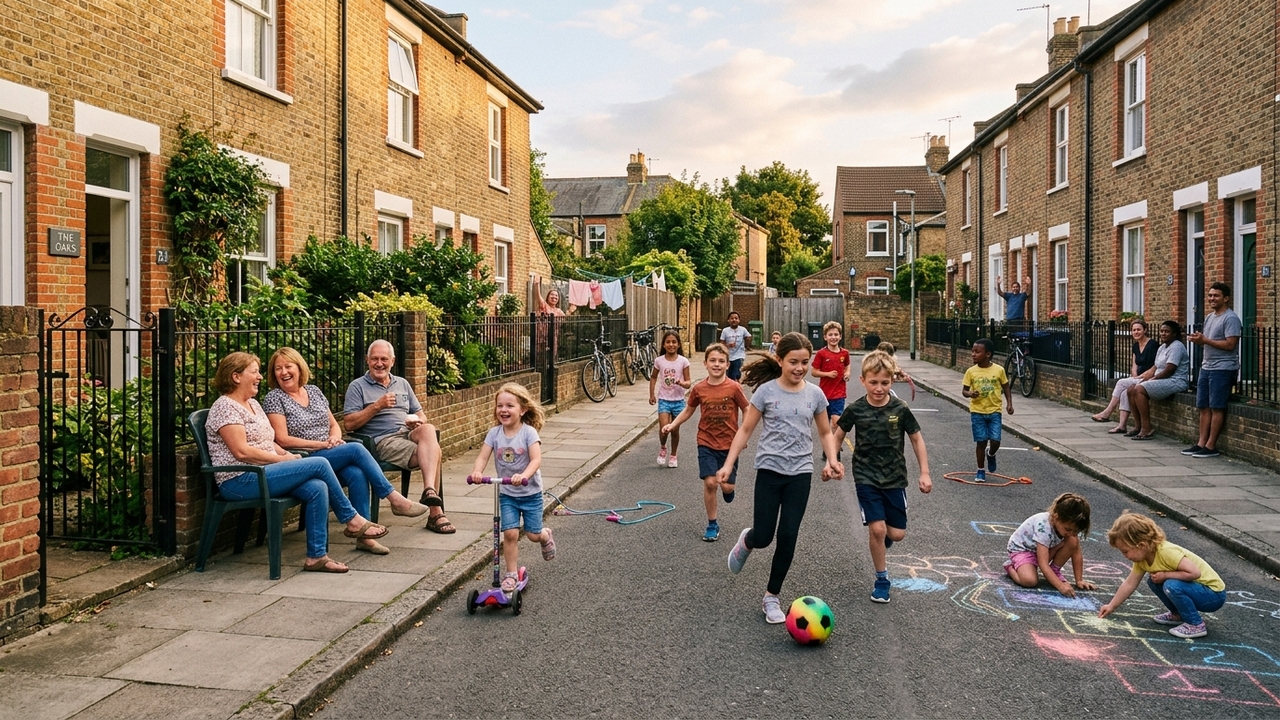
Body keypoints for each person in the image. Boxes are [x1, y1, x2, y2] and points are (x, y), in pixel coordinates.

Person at [205, 352, 388, 573]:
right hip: (240, 480)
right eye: (254, 372)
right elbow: (242, 452)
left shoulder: (252, 404)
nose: (260, 377)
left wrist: (285, 455)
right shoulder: (225, 406)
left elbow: (268, 441)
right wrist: (283, 459)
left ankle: (316, 557)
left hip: (265, 472)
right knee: (319, 464)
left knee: (317, 487)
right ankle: (352, 519)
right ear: (236, 377)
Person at [717, 332, 843, 624]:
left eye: (804, 362)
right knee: (764, 536)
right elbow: (745, 430)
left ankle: (771, 596)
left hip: (800, 473)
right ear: (780, 360)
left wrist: (833, 460)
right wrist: (728, 464)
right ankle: (747, 541)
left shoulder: (815, 395)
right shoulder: (766, 393)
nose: (799, 368)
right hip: (770, 471)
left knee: (788, 535)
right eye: (793, 362)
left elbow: (825, 432)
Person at [263, 347, 428, 554]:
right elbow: (283, 440)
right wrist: (323, 445)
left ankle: (364, 538)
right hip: (304, 457)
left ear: (299, 368)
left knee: (356, 473)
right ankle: (393, 498)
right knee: (356, 449)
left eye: (288, 366)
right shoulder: (274, 398)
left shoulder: (313, 391)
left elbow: (334, 424)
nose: (284, 372)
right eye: (278, 368)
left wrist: (334, 438)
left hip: (327, 451)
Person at [833, 350, 932, 604]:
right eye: (873, 382)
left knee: (896, 534)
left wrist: (924, 472)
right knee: (876, 529)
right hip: (866, 476)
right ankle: (882, 579)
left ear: (892, 382)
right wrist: (832, 461)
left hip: (895, 478)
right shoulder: (856, 409)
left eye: (885, 383)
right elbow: (838, 435)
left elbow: (916, 439)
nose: (879, 388)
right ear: (863, 380)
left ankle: (885, 538)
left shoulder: (900, 408)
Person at [343, 339, 454, 534]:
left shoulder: (402, 383)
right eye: (375, 359)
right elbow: (349, 424)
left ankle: (429, 491)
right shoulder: (357, 386)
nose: (379, 364)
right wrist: (376, 406)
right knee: (435, 451)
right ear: (367, 360)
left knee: (428, 428)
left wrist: (416, 421)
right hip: (382, 441)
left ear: (392, 361)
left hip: (407, 433)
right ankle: (436, 513)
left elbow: (420, 413)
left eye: (384, 359)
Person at [467, 383, 556, 593]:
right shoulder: (494, 434)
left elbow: (536, 460)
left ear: (522, 409)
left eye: (509, 405)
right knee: (510, 534)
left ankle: (545, 536)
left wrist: (523, 475)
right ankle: (511, 574)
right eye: (500, 406)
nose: (503, 410)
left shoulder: (529, 433)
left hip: (530, 493)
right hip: (507, 495)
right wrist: (477, 472)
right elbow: (482, 456)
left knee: (533, 535)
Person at [661, 343, 749, 542]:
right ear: (705, 364)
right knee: (710, 483)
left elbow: (748, 410)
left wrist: (744, 435)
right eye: (713, 361)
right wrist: (673, 424)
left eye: (721, 361)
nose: (716, 364)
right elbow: (689, 410)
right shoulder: (699, 388)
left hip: (730, 444)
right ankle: (712, 523)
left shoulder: (734, 388)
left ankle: (728, 491)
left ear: (727, 365)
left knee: (726, 487)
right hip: (706, 441)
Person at [1098, 511, 1227, 639]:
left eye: (1125, 551)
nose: (1125, 556)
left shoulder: (1166, 551)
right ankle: (1178, 614)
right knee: (1154, 580)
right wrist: (1111, 606)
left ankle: (1196, 624)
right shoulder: (1142, 559)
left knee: (1170, 585)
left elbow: (1194, 573)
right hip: (1197, 591)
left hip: (1213, 594)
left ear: (1141, 545)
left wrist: (1165, 575)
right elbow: (1129, 583)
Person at [1184, 282, 1242, 459]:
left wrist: (1205, 341)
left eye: (1216, 296)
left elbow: (1231, 344)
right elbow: (1208, 340)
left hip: (1223, 368)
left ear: (1226, 298)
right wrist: (1198, 339)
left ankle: (1211, 446)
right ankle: (1201, 443)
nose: (1211, 298)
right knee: (1203, 406)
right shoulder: (1209, 317)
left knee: (1217, 407)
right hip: (1207, 367)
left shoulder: (1230, 318)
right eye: (1210, 295)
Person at [1004, 493, 1097, 596]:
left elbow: (1076, 553)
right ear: (1056, 517)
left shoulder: (1066, 527)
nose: (1071, 533)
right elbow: (1043, 564)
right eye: (1068, 529)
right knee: (1029, 581)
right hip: (1023, 550)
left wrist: (1079, 580)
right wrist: (1060, 587)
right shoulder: (1044, 528)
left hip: (1044, 548)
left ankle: (1054, 570)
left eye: (1075, 531)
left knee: (1073, 541)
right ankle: (1010, 567)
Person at [1127, 321, 1191, 440]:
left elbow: (1170, 369)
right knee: (1131, 389)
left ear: (1174, 334)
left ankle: (1147, 428)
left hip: (1175, 381)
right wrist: (1147, 378)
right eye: (1162, 331)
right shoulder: (1162, 347)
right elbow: (1156, 367)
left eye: (1167, 332)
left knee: (1139, 389)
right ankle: (1138, 426)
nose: (1163, 334)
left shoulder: (1177, 346)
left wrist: (1153, 379)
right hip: (1161, 380)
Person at [1090, 320, 1157, 434]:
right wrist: (1134, 377)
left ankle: (1108, 412)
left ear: (1145, 330)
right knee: (1124, 392)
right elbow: (1134, 366)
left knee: (1121, 382)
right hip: (1138, 377)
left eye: (1139, 329)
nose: (1136, 332)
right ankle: (1122, 426)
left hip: (1150, 378)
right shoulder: (1136, 346)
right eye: (1134, 330)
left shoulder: (1152, 345)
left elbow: (1157, 364)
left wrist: (1143, 377)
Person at [961, 338, 1013, 482]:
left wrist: (1009, 403)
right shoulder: (971, 372)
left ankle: (991, 454)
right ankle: (980, 470)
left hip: (994, 410)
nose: (973, 354)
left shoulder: (999, 370)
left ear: (988, 354)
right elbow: (964, 391)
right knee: (981, 441)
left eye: (977, 352)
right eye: (972, 351)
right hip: (977, 411)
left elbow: (1006, 387)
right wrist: (971, 394)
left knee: (995, 440)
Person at [650, 330, 691, 468]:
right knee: (664, 429)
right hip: (664, 400)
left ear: (678, 344)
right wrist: (652, 394)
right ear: (664, 344)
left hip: (678, 401)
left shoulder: (683, 361)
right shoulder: (659, 361)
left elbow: (689, 383)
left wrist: (681, 383)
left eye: (674, 342)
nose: (671, 344)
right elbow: (654, 377)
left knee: (674, 430)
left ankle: (673, 454)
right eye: (668, 342)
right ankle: (663, 447)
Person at [811, 321, 850, 433]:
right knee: (825, 425)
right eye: (830, 335)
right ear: (825, 337)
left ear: (840, 336)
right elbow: (814, 372)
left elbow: (847, 366)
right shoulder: (821, 354)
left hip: (839, 393)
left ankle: (835, 444)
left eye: (836, 334)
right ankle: (828, 445)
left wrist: (847, 374)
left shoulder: (845, 353)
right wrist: (827, 374)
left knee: (836, 422)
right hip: (824, 393)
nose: (833, 337)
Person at [720, 311, 752, 381]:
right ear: (728, 320)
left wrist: (747, 339)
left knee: (735, 369)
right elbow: (721, 344)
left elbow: (749, 337)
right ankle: (737, 382)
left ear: (739, 320)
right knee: (729, 373)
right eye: (732, 318)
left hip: (739, 355)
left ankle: (734, 384)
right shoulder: (725, 331)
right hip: (728, 356)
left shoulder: (743, 329)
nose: (734, 320)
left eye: (736, 318)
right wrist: (728, 345)